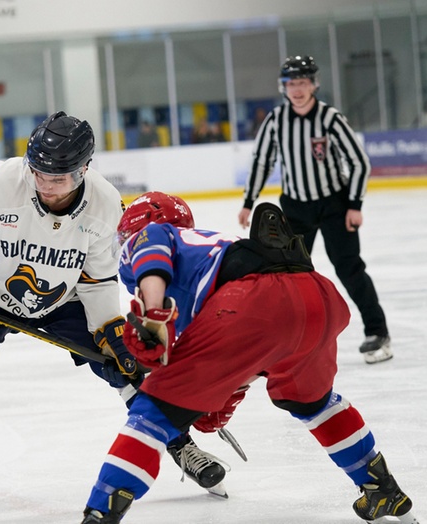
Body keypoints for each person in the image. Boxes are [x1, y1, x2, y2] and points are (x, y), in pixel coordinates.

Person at [0, 112, 227, 522]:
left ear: (84, 169)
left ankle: (180, 445)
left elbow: (98, 279)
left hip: (59, 299)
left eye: (58, 178)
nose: (45, 185)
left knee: (127, 368)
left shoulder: (104, 206)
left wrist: (107, 328)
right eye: (39, 173)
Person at [78, 192, 418, 524]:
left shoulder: (153, 233)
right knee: (313, 402)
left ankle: (100, 514)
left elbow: (154, 257)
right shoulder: (214, 246)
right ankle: (382, 489)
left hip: (253, 299)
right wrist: (232, 390)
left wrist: (152, 315)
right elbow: (258, 342)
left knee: (154, 411)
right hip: (317, 297)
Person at [238, 55, 391, 364]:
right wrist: (248, 202)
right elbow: (261, 161)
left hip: (334, 205)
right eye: (291, 83)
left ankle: (378, 332)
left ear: (314, 85)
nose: (297, 89)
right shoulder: (276, 121)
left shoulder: (330, 118)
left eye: (303, 82)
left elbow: (360, 162)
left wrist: (354, 205)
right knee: (288, 275)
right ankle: (286, 341)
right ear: (283, 87)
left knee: (349, 269)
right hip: (295, 210)